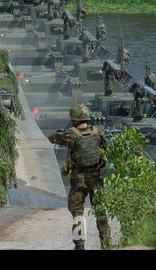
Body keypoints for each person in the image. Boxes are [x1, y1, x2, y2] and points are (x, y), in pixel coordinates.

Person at [49, 104, 111, 250]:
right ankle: (107, 244)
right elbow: (106, 146)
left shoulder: (70, 134)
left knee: (77, 213)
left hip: (79, 179)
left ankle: (80, 245)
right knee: (101, 211)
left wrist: (60, 133)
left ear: (74, 119)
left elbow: (52, 138)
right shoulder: (98, 132)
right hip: (96, 177)